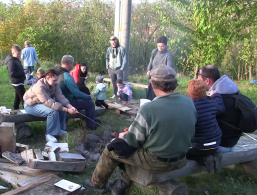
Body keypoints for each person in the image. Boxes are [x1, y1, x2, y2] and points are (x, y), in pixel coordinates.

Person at [84, 65, 197, 194]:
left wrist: (123, 136)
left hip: (158, 161)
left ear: (153, 84)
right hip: (181, 158)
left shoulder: (149, 109)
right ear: (175, 84)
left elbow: (132, 141)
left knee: (112, 148)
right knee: (134, 150)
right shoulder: (189, 102)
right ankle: (121, 183)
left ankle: (97, 184)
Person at [23, 69, 77, 142]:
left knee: (60, 107)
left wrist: (70, 106)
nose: (56, 82)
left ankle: (59, 130)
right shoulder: (39, 86)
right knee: (53, 111)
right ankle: (49, 134)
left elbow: (60, 96)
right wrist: (67, 110)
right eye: (54, 80)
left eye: (57, 80)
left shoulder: (55, 84)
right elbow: (49, 102)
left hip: (41, 103)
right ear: (48, 78)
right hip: (31, 105)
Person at [197, 65, 241, 153]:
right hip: (233, 142)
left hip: (219, 145)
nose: (197, 82)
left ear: (207, 80)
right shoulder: (232, 90)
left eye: (198, 78)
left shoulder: (214, 97)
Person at [186, 79, 224, 173]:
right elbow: (221, 109)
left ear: (189, 92)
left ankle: (203, 159)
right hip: (216, 143)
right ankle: (213, 154)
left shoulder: (188, 106)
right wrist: (216, 95)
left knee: (184, 153)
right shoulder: (212, 103)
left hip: (198, 147)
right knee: (206, 147)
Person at [56, 55, 97, 130]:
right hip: (67, 103)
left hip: (56, 101)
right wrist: (88, 97)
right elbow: (76, 93)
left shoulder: (56, 73)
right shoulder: (67, 76)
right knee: (90, 103)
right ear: (71, 64)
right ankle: (91, 127)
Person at [146, 36, 173, 100]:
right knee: (150, 99)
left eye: (162, 46)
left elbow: (169, 69)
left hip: (162, 81)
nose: (160, 48)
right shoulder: (154, 52)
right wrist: (148, 70)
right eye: (158, 46)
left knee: (158, 100)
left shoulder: (168, 54)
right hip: (152, 80)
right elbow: (150, 63)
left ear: (166, 45)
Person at [6, 45, 26, 110]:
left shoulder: (16, 59)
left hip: (20, 81)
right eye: (18, 54)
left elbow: (18, 69)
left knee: (17, 98)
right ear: (13, 53)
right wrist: (23, 72)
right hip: (17, 82)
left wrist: (23, 70)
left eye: (20, 53)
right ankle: (28, 112)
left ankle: (15, 110)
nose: (19, 55)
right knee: (24, 98)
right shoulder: (11, 61)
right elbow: (12, 73)